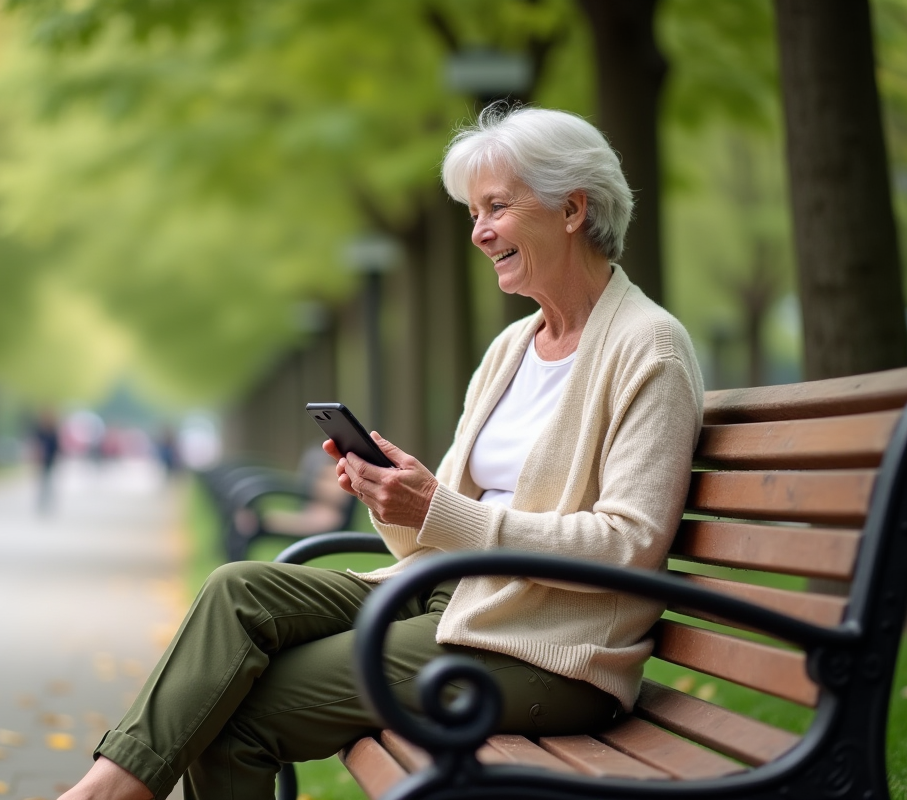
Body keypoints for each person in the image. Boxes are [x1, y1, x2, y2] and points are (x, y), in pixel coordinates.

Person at [58, 106, 705, 800]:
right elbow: (440, 527)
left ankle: (100, 797)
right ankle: (107, 787)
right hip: (449, 598)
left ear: (572, 208)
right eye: (472, 213)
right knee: (236, 591)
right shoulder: (511, 349)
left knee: (238, 716)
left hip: (547, 652)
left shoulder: (649, 349)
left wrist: (444, 512)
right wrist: (397, 496)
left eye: (496, 208)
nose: (480, 232)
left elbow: (628, 547)